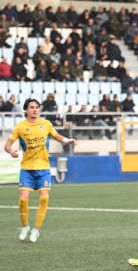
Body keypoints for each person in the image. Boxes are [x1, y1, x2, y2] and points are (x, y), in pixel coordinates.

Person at [3, 99, 76, 243]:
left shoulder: (46, 124)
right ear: (26, 110)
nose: (35, 110)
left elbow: (57, 136)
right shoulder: (20, 127)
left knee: (44, 198)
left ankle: (36, 229)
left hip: (43, 168)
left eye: (37, 107)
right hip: (27, 169)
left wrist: (66, 140)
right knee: (23, 200)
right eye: (32, 107)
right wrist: (12, 152)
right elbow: (7, 145)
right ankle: (25, 226)